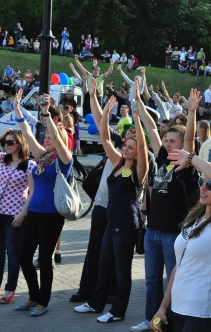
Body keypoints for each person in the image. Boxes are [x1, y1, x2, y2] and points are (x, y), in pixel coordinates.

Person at [74, 83, 148, 323]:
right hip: (110, 220)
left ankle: (117, 311)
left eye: (131, 147)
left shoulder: (139, 169)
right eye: (125, 146)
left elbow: (144, 148)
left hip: (127, 223)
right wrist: (106, 112)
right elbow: (105, 137)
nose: (126, 149)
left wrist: (136, 120)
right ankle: (96, 303)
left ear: (138, 151)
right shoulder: (118, 161)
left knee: (121, 269)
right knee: (103, 264)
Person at [129, 89, 201, 332]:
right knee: (151, 281)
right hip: (152, 233)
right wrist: (139, 101)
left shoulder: (186, 164)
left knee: (174, 281)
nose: (167, 144)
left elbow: (190, 138)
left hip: (174, 235)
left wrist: (191, 112)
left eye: (172, 141)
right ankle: (152, 321)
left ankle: (172, 324)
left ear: (182, 146)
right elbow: (150, 127)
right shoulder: (161, 159)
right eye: (166, 140)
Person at [151, 149, 211, 332]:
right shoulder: (195, 219)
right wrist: (162, 307)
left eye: (210, 186)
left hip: (201, 313)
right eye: (202, 182)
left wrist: (191, 158)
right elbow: (179, 267)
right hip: (177, 308)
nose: (202, 188)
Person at [13, 90, 73, 316]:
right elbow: (27, 133)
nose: (46, 139)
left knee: (44, 259)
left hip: (52, 214)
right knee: (23, 256)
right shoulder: (41, 157)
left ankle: (43, 302)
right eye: (45, 137)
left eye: (50, 137)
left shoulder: (65, 159)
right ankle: (33, 295)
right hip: (34, 212)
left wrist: (47, 113)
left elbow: (57, 138)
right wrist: (18, 108)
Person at [0, 129, 36, 303]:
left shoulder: (29, 165)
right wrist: (0, 137)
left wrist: (22, 213)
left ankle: (10, 288)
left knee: (13, 252)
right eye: (6, 142)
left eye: (11, 142)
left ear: (20, 144)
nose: (7, 145)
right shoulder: (3, 159)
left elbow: (33, 191)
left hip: (15, 214)